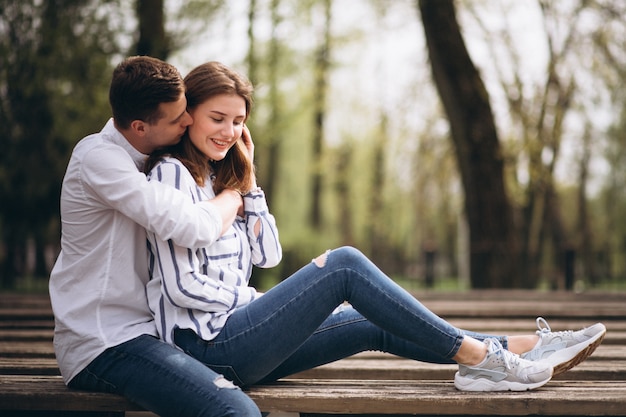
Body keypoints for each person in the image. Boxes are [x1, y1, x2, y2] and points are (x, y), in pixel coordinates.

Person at [144, 60, 607, 398]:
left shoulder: (224, 179)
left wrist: (250, 182)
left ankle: (525, 349)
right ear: (189, 118)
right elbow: (180, 287)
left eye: (239, 122)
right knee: (343, 264)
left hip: (242, 337)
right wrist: (260, 306)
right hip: (207, 349)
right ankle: (483, 359)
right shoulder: (173, 175)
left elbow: (268, 256)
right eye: (217, 118)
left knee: (369, 322)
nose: (228, 131)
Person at [49, 56, 262, 417]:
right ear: (139, 127)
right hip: (105, 343)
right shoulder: (101, 161)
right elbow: (197, 227)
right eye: (178, 118)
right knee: (235, 411)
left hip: (151, 335)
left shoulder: (151, 158)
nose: (189, 119)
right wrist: (235, 193)